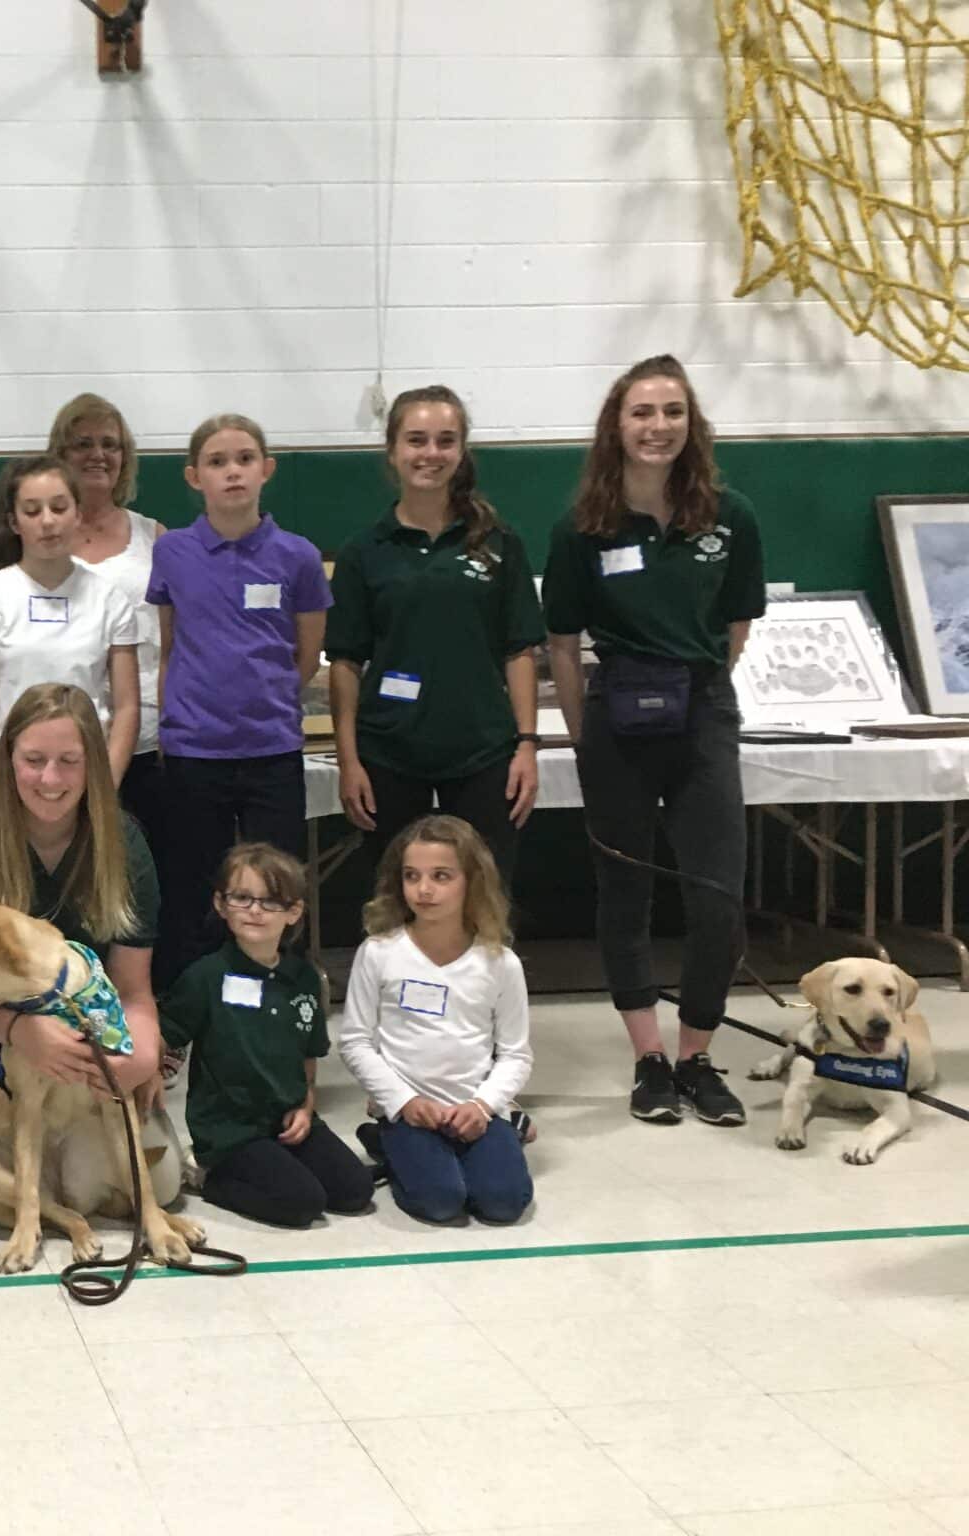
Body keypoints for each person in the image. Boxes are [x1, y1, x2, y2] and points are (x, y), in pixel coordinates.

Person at [543, 354, 764, 1128]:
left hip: (702, 713)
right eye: (642, 412)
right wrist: (584, 734)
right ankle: (650, 1060)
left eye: (672, 412)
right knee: (625, 893)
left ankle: (696, 1055)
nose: (657, 426)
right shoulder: (582, 528)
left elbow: (736, 628)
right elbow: (561, 642)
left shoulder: (730, 517)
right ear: (617, 424)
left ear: (691, 423)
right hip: (616, 722)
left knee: (718, 899)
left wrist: (691, 690)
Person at [0, 684, 175, 1228]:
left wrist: (139, 1057)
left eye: (69, 761)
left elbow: (133, 989)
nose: (50, 779)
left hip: (80, 1035)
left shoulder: (123, 843)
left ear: (93, 764)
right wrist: (18, 1031)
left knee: (160, 1183)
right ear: (8, 759)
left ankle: (23, 1162)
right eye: (34, 760)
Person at [328, 386, 545, 878]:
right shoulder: (364, 551)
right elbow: (345, 661)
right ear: (392, 450)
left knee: (486, 897)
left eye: (446, 440)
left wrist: (527, 745)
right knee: (395, 899)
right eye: (416, 440)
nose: (431, 453)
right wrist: (349, 761)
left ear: (462, 451)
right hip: (388, 753)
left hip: (483, 752)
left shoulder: (499, 543)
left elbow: (519, 650)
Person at [147, 413, 330, 992]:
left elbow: (306, 656)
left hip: (271, 750)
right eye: (218, 462)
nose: (233, 472)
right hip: (193, 751)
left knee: (275, 886)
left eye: (245, 459)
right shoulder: (172, 552)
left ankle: (277, 1002)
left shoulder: (298, 556)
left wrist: (263, 702)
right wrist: (179, 719)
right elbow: (170, 647)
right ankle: (197, 1003)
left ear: (266, 470)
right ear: (193, 476)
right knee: (195, 886)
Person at [161, 843, 374, 1229]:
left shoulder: (304, 979)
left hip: (288, 1119)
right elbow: (163, 1038)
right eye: (242, 898)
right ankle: (208, 1177)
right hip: (231, 1131)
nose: (255, 910)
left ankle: (280, 1163)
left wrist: (306, 1107)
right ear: (221, 904)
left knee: (356, 1191)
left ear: (294, 912)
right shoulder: (205, 977)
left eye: (271, 901)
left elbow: (309, 1055)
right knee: (302, 1204)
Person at [337, 815, 534, 1225]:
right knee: (442, 1202)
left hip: (475, 1109)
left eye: (441, 876)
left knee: (503, 1204)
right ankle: (386, 1139)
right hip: (409, 1109)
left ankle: (507, 1128)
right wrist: (403, 1101)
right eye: (412, 876)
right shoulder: (379, 952)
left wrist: (482, 1105)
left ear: (471, 882)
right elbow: (355, 1041)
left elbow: (516, 1054)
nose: (424, 889)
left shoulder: (500, 963)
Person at [0, 455, 140, 788]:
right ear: (14, 522)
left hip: (85, 777)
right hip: (4, 777)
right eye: (32, 511)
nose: (48, 521)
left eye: (59, 508)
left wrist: (104, 788)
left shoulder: (110, 600)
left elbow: (127, 708)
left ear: (78, 514)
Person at [50, 392, 171, 851]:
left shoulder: (154, 537)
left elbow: (175, 642)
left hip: (146, 743)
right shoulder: (40, 536)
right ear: (61, 455)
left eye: (110, 444)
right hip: (60, 743)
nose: (98, 454)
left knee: (149, 869)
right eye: (83, 444)